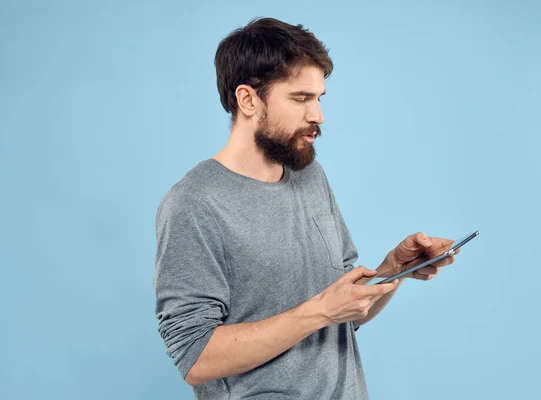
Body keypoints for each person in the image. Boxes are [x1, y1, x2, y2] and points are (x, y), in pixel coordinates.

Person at [154, 17, 458, 399]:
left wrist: (393, 270)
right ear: (248, 100)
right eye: (300, 99)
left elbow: (341, 311)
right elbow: (195, 358)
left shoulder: (309, 175)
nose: (318, 116)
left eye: (319, 98)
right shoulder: (194, 203)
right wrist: (320, 311)